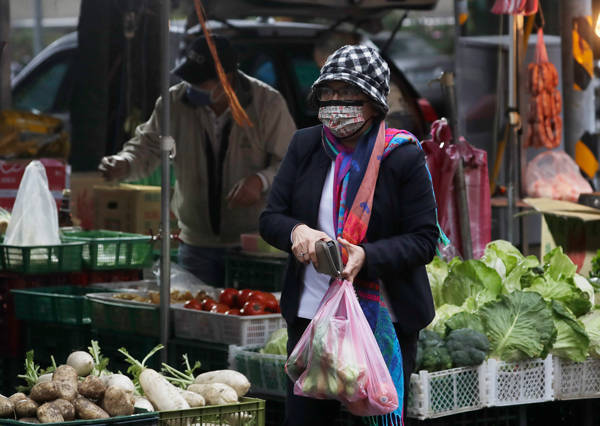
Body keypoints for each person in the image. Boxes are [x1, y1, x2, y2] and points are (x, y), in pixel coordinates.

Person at [259, 44, 440, 425]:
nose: (335, 103)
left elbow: (424, 239)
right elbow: (271, 217)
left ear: (374, 102)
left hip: (382, 321)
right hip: (312, 320)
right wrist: (298, 230)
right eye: (329, 92)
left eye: (348, 93)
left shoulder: (402, 156)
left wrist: (366, 257)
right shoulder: (305, 145)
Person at [99, 35, 296, 285]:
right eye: (190, 80)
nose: (192, 88)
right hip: (196, 243)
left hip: (253, 246)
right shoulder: (173, 103)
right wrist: (124, 163)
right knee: (195, 316)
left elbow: (291, 164)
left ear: (227, 79)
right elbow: (147, 147)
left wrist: (261, 181)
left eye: (201, 82)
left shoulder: (267, 104)